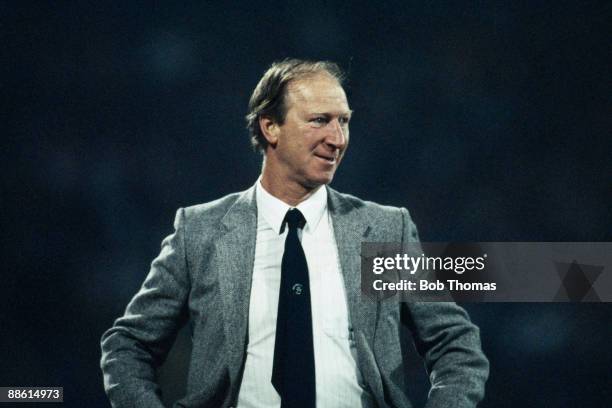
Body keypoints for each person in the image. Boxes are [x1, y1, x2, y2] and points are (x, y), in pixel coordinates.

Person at [100, 59, 489, 408]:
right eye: (320, 120)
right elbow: (128, 345)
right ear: (270, 127)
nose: (337, 139)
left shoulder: (384, 229)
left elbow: (454, 342)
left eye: (344, 121)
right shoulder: (201, 231)